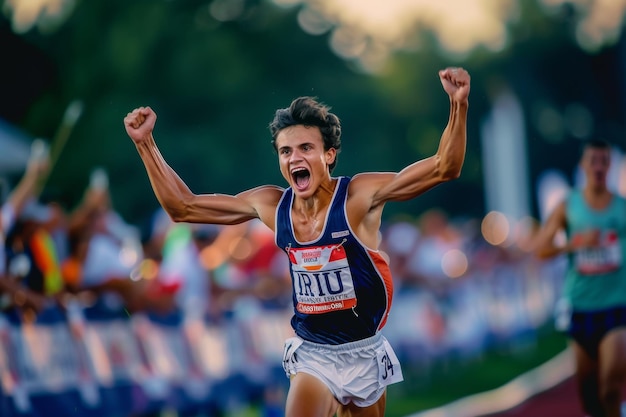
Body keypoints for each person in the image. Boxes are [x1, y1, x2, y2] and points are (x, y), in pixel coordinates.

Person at [124, 66, 470, 417]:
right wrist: (145, 144)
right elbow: (183, 207)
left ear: (329, 155)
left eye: (306, 147)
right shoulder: (272, 205)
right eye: (286, 151)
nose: (295, 158)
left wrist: (459, 105)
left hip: (364, 350)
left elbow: (445, 167)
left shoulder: (358, 197)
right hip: (314, 354)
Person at [534, 139, 626, 417]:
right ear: (583, 166)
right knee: (589, 397)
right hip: (580, 306)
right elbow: (540, 248)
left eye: (603, 161)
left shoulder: (622, 207)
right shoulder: (568, 206)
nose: (598, 167)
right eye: (593, 161)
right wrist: (574, 244)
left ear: (609, 166)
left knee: (610, 387)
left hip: (616, 306)